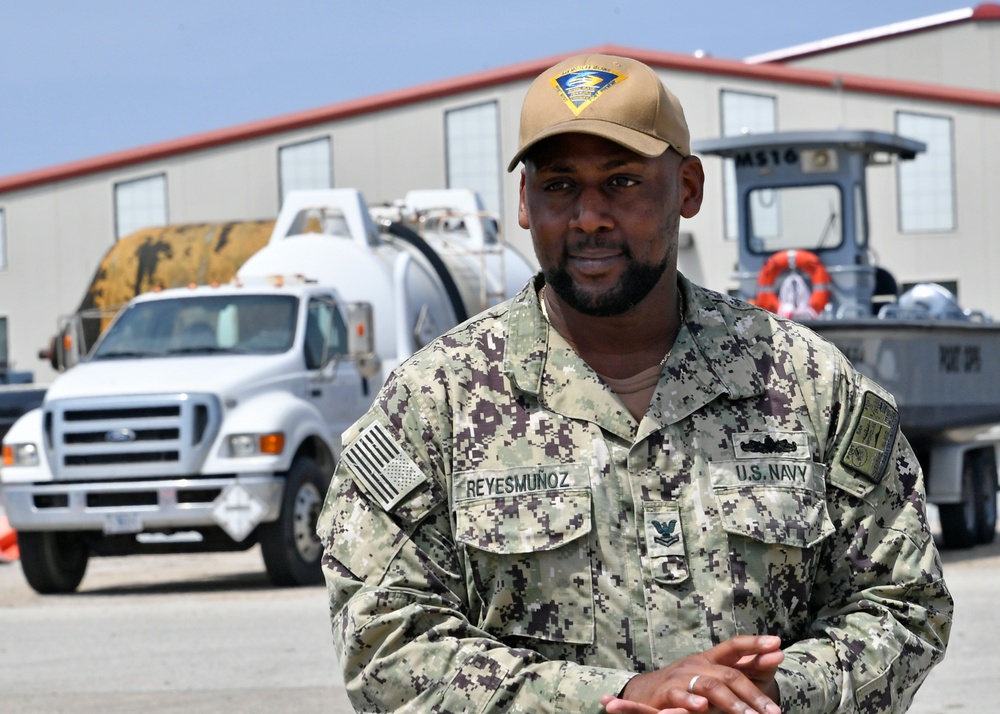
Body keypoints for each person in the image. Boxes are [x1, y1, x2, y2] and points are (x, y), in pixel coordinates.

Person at [317, 53, 952, 713]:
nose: (589, 215)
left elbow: (903, 606)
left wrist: (769, 694)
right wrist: (611, 699)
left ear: (687, 188)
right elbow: (384, 644)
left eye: (621, 181)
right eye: (560, 184)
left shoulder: (806, 385)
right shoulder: (434, 405)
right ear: (524, 202)